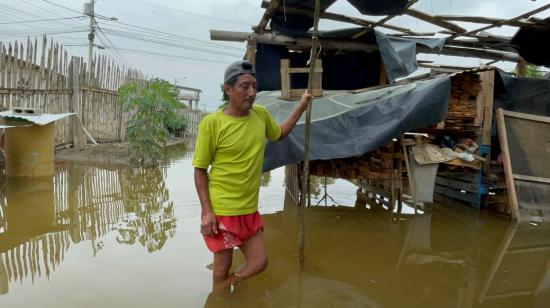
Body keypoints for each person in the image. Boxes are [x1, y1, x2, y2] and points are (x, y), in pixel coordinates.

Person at [193, 60, 310, 290]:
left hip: (248, 209)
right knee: (220, 268)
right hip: (222, 211)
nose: (252, 93)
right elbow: (199, 170)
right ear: (228, 89)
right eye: (244, 87)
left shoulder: (261, 115)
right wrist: (207, 212)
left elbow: (279, 133)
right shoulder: (212, 123)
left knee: (259, 262)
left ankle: (227, 288)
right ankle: (220, 300)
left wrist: (302, 106)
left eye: (254, 87)